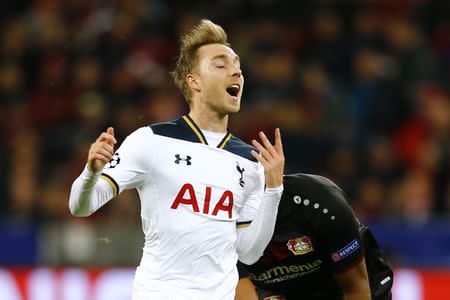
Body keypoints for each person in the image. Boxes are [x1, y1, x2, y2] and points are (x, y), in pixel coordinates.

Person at [69, 19, 285, 299]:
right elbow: (80, 206)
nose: (236, 72)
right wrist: (92, 172)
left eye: (237, 66)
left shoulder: (251, 161)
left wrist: (274, 190)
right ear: (193, 81)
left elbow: (250, 252)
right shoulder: (150, 141)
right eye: (221, 65)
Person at [236, 173, 394, 300]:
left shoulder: (321, 203)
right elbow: (242, 289)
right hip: (282, 290)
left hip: (347, 284)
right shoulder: (220, 227)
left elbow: (356, 291)